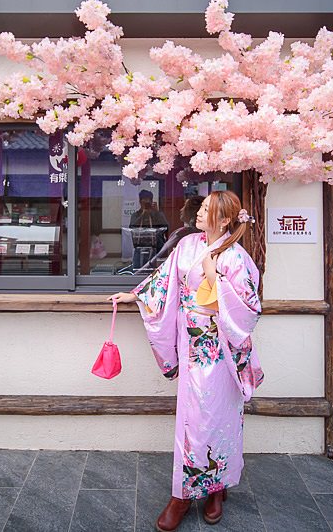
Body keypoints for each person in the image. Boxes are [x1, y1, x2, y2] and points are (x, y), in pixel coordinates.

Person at [110, 190, 264, 531]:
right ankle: (186, 491)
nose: (199, 212)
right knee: (192, 419)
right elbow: (164, 280)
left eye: (207, 209)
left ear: (225, 220)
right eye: (201, 206)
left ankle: (214, 488)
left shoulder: (236, 257)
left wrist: (213, 274)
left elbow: (249, 309)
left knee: (218, 418)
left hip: (220, 350)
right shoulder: (187, 245)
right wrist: (136, 295)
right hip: (192, 346)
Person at [134, 195, 204, 274]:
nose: (181, 210)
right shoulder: (201, 234)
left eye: (184, 206)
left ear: (193, 211)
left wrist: (138, 273)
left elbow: (160, 256)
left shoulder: (183, 234)